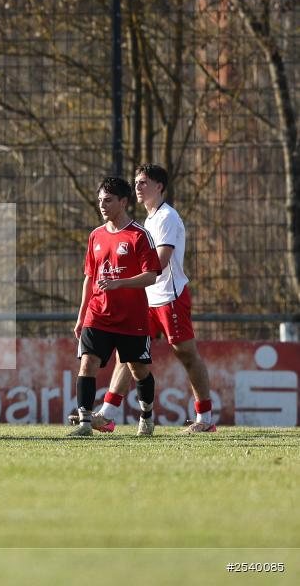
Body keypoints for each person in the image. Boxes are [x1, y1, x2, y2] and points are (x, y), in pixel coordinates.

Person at [89, 165, 216, 433]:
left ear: (159, 186)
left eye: (143, 182)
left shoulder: (167, 217)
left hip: (169, 297)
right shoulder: (148, 220)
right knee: (129, 354)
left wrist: (122, 280)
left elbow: (158, 264)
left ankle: (205, 419)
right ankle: (107, 414)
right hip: (146, 298)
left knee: (187, 354)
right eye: (135, 182)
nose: (137, 187)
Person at [70, 177, 161, 437]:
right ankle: (86, 423)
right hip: (97, 314)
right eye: (100, 200)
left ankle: (147, 415)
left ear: (123, 201)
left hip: (132, 318)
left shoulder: (139, 235)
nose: (102, 205)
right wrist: (81, 315)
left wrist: (119, 284)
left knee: (138, 369)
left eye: (108, 200)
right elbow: (89, 278)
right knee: (87, 364)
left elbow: (152, 275)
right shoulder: (95, 236)